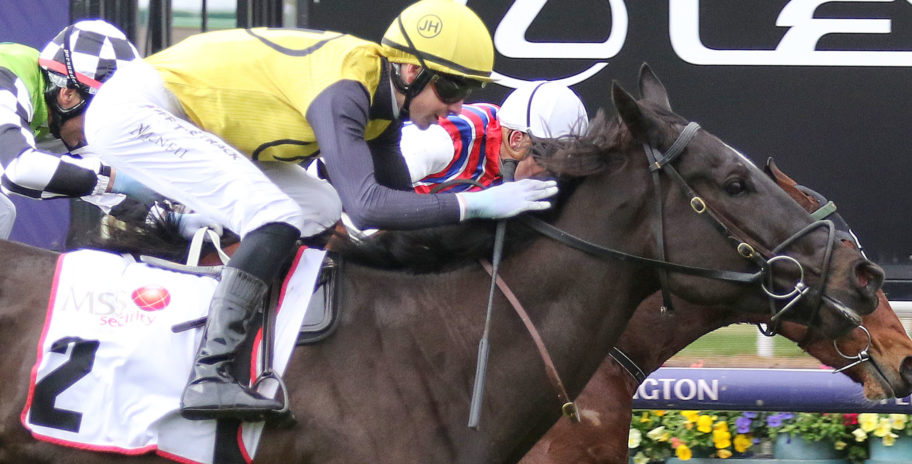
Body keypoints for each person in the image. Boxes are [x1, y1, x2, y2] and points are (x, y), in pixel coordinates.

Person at [83, 0, 559, 421]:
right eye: (452, 89)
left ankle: (286, 340)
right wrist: (476, 203)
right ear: (411, 72)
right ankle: (209, 373)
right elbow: (368, 206)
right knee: (275, 215)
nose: (457, 107)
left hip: (193, 120)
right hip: (139, 111)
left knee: (318, 205)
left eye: (468, 92)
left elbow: (401, 209)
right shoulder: (347, 89)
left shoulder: (384, 104)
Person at [0, 19, 150, 239]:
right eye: (102, 116)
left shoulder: (60, 112)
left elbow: (103, 187)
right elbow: (18, 171)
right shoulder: (7, 78)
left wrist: (173, 221)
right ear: (68, 94)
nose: (101, 130)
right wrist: (115, 179)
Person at [399, 81, 589, 193]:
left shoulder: (509, 142)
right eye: (547, 158)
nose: (550, 174)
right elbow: (380, 201)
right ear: (516, 140)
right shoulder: (446, 138)